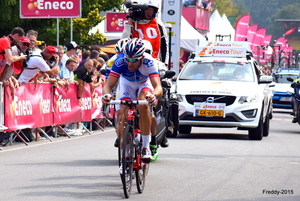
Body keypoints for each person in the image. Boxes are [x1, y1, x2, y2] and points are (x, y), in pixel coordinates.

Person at [102, 38, 163, 162]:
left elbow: (158, 87)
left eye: (134, 60)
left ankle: (146, 147)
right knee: (123, 113)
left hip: (144, 83)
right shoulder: (119, 61)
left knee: (143, 105)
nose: (130, 63)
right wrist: (107, 95)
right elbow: (108, 86)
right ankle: (126, 147)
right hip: (127, 84)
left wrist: (153, 95)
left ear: (141, 58)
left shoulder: (149, 62)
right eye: (128, 59)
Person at [122, 0, 169, 66]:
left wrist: (165, 63)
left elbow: (164, 44)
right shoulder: (133, 23)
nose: (148, 12)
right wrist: (129, 21)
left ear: (154, 11)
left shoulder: (158, 24)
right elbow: (124, 40)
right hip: (135, 61)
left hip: (154, 61)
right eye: (146, 9)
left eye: (151, 10)